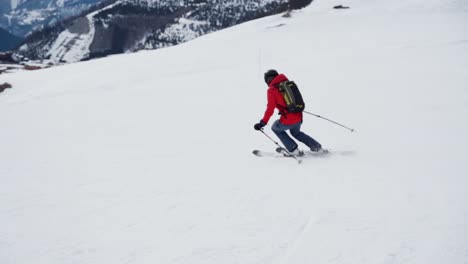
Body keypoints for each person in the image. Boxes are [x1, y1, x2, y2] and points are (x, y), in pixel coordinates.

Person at [254, 69, 323, 156]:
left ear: (268, 80)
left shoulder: (272, 90)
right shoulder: (288, 84)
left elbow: (270, 109)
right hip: (298, 116)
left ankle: (293, 149)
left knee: (275, 127)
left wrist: (262, 123)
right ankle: (317, 147)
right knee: (296, 133)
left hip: (289, 119)